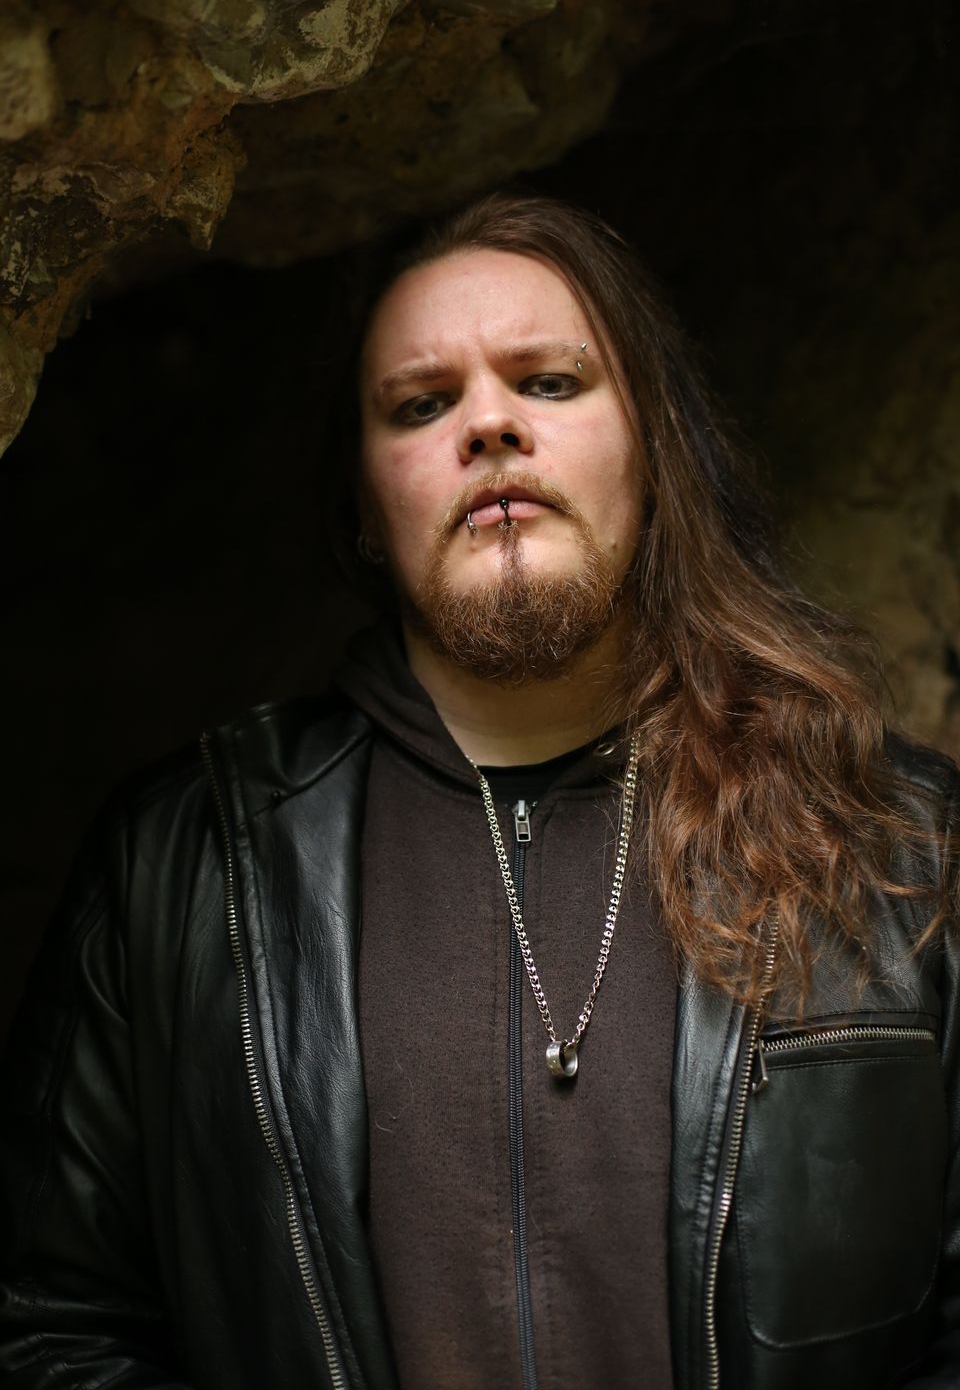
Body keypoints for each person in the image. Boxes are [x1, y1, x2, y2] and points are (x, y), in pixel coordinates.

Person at [1, 192, 958, 1390]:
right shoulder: (183, 864)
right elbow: (48, 1328)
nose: (491, 424)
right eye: (422, 403)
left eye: (549, 383)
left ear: (654, 449)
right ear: (365, 503)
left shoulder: (900, 838)